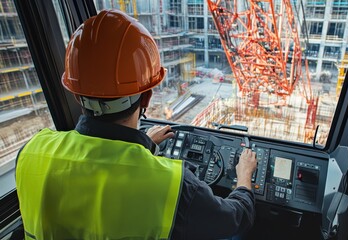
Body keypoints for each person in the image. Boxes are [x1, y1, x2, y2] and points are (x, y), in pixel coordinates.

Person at [15, 9, 257, 240]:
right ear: (147, 97)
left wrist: (145, 144)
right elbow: (235, 218)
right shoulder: (172, 185)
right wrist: (244, 176)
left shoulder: (30, 152)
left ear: (77, 95)